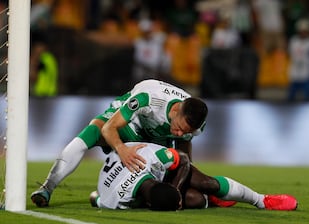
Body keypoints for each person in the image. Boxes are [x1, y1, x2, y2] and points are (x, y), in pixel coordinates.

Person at [31, 79, 208, 207]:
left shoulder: (195, 124)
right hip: (129, 126)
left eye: (185, 132)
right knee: (94, 130)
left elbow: (184, 146)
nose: (179, 133)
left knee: (185, 196)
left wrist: (186, 174)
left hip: (154, 140)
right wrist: (121, 149)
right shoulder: (148, 98)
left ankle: (108, 199)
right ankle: (47, 187)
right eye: (178, 127)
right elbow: (109, 128)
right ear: (176, 110)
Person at [90, 142, 298, 211]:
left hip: (144, 158)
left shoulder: (153, 159)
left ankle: (262, 200)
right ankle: (211, 200)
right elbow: (96, 198)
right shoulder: (115, 199)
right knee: (196, 200)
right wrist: (94, 198)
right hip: (124, 176)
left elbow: (181, 157)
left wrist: (177, 189)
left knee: (206, 182)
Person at [287, 19, 309, 102]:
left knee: (308, 97)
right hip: (295, 72)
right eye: (302, 31)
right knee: (291, 97)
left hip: (306, 72)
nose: (303, 33)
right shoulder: (293, 41)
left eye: (305, 31)